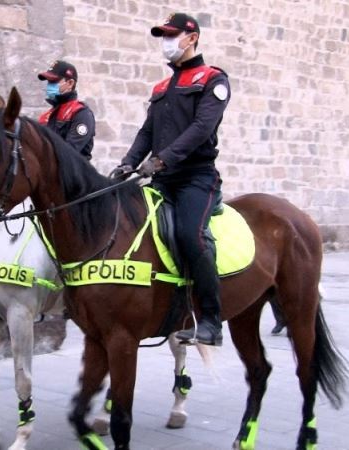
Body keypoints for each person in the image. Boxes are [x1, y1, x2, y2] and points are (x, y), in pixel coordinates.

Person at [110, 13, 230, 346]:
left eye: (172, 35)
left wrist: (162, 160)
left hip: (195, 179)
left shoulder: (213, 80)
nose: (166, 42)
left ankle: (210, 321)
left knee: (191, 236)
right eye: (163, 36)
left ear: (192, 38)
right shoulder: (162, 87)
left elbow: (201, 129)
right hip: (163, 180)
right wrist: (128, 163)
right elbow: (147, 131)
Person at [37, 60, 96, 160]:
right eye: (48, 82)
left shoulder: (81, 113)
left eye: (53, 82)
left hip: (75, 173)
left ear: (70, 83)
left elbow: (70, 151)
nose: (49, 86)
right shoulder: (44, 117)